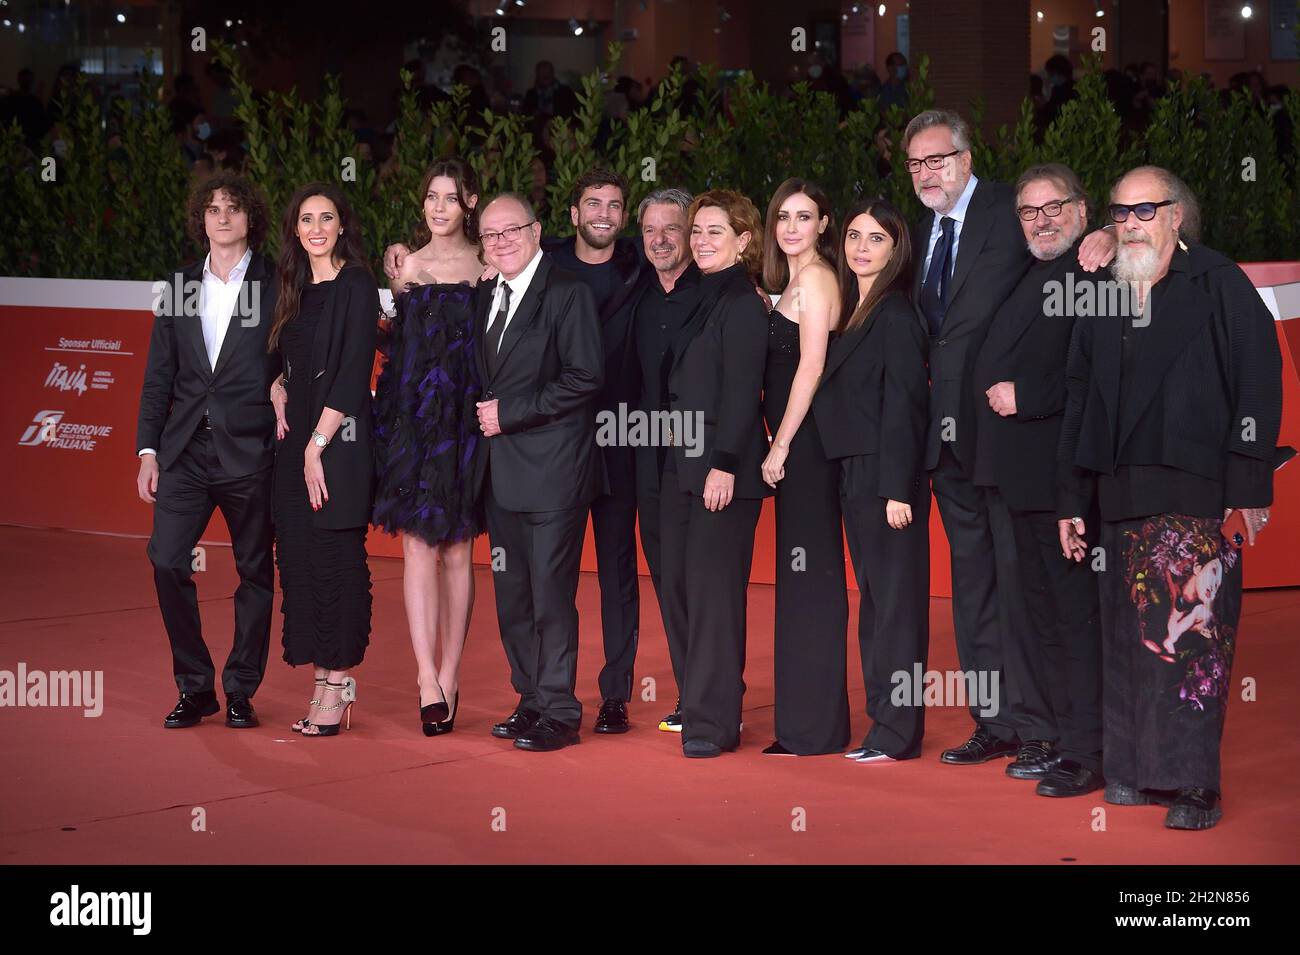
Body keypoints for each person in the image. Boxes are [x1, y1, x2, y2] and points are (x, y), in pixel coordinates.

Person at [1058, 166, 1286, 829]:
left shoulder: (1219, 283)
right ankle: (1132, 771)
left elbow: (1258, 381)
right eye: (1120, 212)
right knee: (1130, 640)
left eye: (1144, 210)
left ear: (1174, 216)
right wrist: (1072, 497)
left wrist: (1246, 489)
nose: (1131, 222)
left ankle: (1193, 785)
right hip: (1119, 490)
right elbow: (1079, 394)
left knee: (1193, 643)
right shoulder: (1101, 290)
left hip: (1197, 492)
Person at [905, 108, 1115, 767]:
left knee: (1025, 587)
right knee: (974, 592)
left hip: (1006, 440)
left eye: (937, 159)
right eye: (915, 163)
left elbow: (1072, 228)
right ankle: (995, 720)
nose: (925, 173)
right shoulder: (921, 230)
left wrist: (1108, 233)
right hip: (944, 443)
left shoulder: (1009, 208)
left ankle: (1040, 727)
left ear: (967, 160)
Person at [971, 163, 1102, 795]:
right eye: (1030, 211)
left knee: (1075, 618)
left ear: (1082, 210)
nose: (1042, 220)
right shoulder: (1032, 270)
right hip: (1019, 477)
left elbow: (1100, 374)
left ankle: (1087, 750)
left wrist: (1028, 394)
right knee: (1044, 617)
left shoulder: (1091, 270)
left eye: (1055, 208)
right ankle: (1058, 737)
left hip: (1063, 477)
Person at [137, 174, 278, 730]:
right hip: (186, 450)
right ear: (201, 219)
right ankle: (195, 687)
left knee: (254, 573)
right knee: (167, 560)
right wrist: (148, 449)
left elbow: (297, 351)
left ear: (250, 219)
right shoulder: (178, 286)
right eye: (213, 209)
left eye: (234, 209)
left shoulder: (276, 281)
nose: (222, 218)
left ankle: (241, 688)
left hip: (251, 449)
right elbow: (158, 377)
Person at [473, 193, 605, 753]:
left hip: (554, 472)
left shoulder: (568, 293)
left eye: (511, 231)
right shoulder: (486, 295)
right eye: (490, 235)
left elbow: (585, 377)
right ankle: (529, 699)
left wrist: (511, 413)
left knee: (551, 595)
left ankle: (560, 709)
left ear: (536, 231)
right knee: (513, 597)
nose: (500, 242)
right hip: (501, 474)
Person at [812, 197, 930, 763]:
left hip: (885, 480)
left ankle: (897, 733)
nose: (861, 247)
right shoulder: (855, 309)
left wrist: (896, 489)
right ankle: (882, 725)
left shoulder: (898, 314)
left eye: (875, 238)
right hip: (856, 473)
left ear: (897, 248)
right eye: (854, 236)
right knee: (877, 606)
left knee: (896, 609)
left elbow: (906, 407)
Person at [372, 159, 485, 737]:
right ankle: (424, 678)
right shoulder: (404, 268)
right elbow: (392, 349)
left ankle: (451, 672)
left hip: (467, 424)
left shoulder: (490, 265)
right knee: (417, 547)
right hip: (414, 424)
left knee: (459, 551)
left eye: (450, 198)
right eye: (431, 198)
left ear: (469, 202)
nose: (440, 208)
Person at [660, 190, 772, 757]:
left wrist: (724, 465)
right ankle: (708, 702)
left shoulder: (744, 304)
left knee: (713, 596)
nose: (700, 240)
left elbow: (741, 393)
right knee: (684, 588)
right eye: (697, 230)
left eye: (715, 232)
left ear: (744, 241)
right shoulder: (701, 295)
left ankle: (712, 724)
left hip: (720, 468)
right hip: (684, 465)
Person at [267, 183, 379, 737]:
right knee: (302, 564)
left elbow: (355, 370)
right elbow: (281, 357)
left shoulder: (357, 283)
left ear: (341, 227)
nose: (315, 228)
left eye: (326, 218)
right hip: (294, 450)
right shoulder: (290, 287)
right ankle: (321, 681)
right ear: (295, 229)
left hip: (340, 442)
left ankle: (338, 683)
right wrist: (276, 385)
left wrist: (317, 445)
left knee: (336, 559)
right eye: (306, 218)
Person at [539, 168, 647, 734]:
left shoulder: (642, 267)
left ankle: (615, 694)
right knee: (551, 573)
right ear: (574, 214)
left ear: (623, 216)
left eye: (613, 204)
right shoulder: (544, 264)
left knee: (617, 572)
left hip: (623, 440)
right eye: (592, 203)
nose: (603, 212)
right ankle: (545, 692)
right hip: (557, 441)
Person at [757, 178, 848, 756]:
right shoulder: (791, 280)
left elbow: (811, 367)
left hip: (807, 448)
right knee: (799, 582)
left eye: (804, 216)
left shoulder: (816, 279)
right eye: (783, 217)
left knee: (811, 582)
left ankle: (813, 731)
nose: (791, 227)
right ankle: (805, 726)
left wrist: (781, 444)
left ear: (823, 224)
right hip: (797, 446)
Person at [624, 187, 701, 733]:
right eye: (650, 230)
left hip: (701, 464)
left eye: (671, 229)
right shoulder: (638, 295)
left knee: (703, 583)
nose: (660, 239)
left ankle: (715, 691)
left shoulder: (717, 294)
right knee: (669, 581)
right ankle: (692, 691)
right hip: (648, 464)